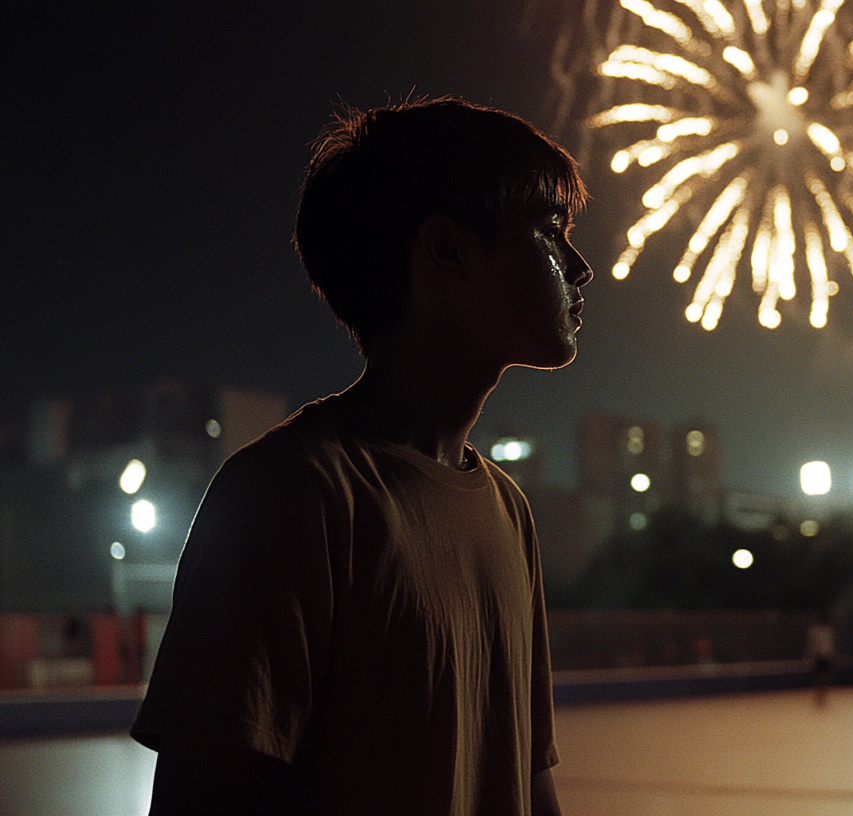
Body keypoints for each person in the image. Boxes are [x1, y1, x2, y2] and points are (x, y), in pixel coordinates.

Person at [131, 98, 592, 815]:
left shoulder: (508, 510)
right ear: (447, 250)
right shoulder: (289, 495)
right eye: (550, 231)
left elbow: (528, 781)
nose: (579, 267)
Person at [805, 613, 835, 706]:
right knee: (819, 677)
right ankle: (819, 695)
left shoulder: (829, 630)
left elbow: (831, 643)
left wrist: (832, 655)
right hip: (818, 656)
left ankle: (823, 695)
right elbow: (810, 644)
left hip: (827, 656)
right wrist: (810, 657)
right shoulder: (814, 631)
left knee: (826, 676)